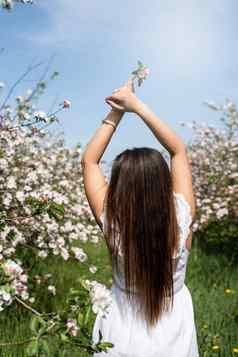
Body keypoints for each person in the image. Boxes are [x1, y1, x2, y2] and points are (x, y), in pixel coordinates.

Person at [80, 78, 199, 357]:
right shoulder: (182, 218)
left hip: (121, 327)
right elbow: (178, 150)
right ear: (163, 181)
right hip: (174, 329)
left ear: (119, 186)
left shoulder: (113, 222)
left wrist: (117, 112)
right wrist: (137, 106)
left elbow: (89, 161)